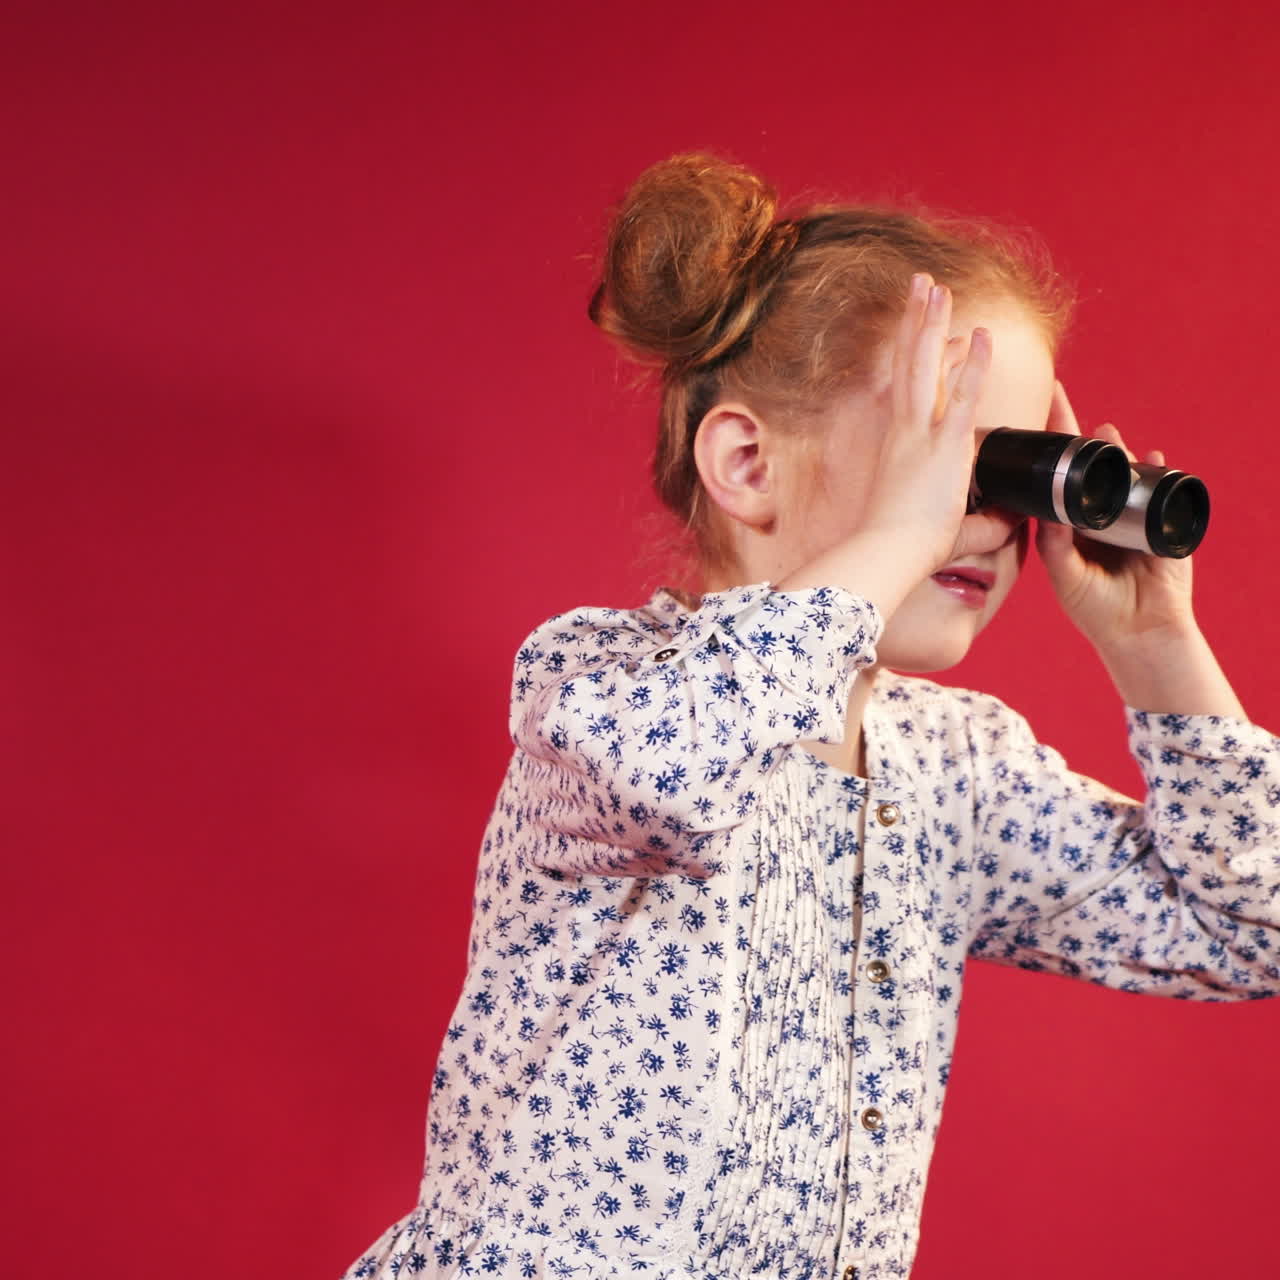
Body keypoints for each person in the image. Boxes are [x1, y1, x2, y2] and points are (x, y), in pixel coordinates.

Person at [340, 152, 1280, 1280]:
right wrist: (894, 538)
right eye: (946, 460)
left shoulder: (952, 768)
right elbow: (675, 772)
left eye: (1016, 475)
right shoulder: (595, 682)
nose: (982, 520)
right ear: (745, 461)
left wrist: (1153, 645)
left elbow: (1249, 930)